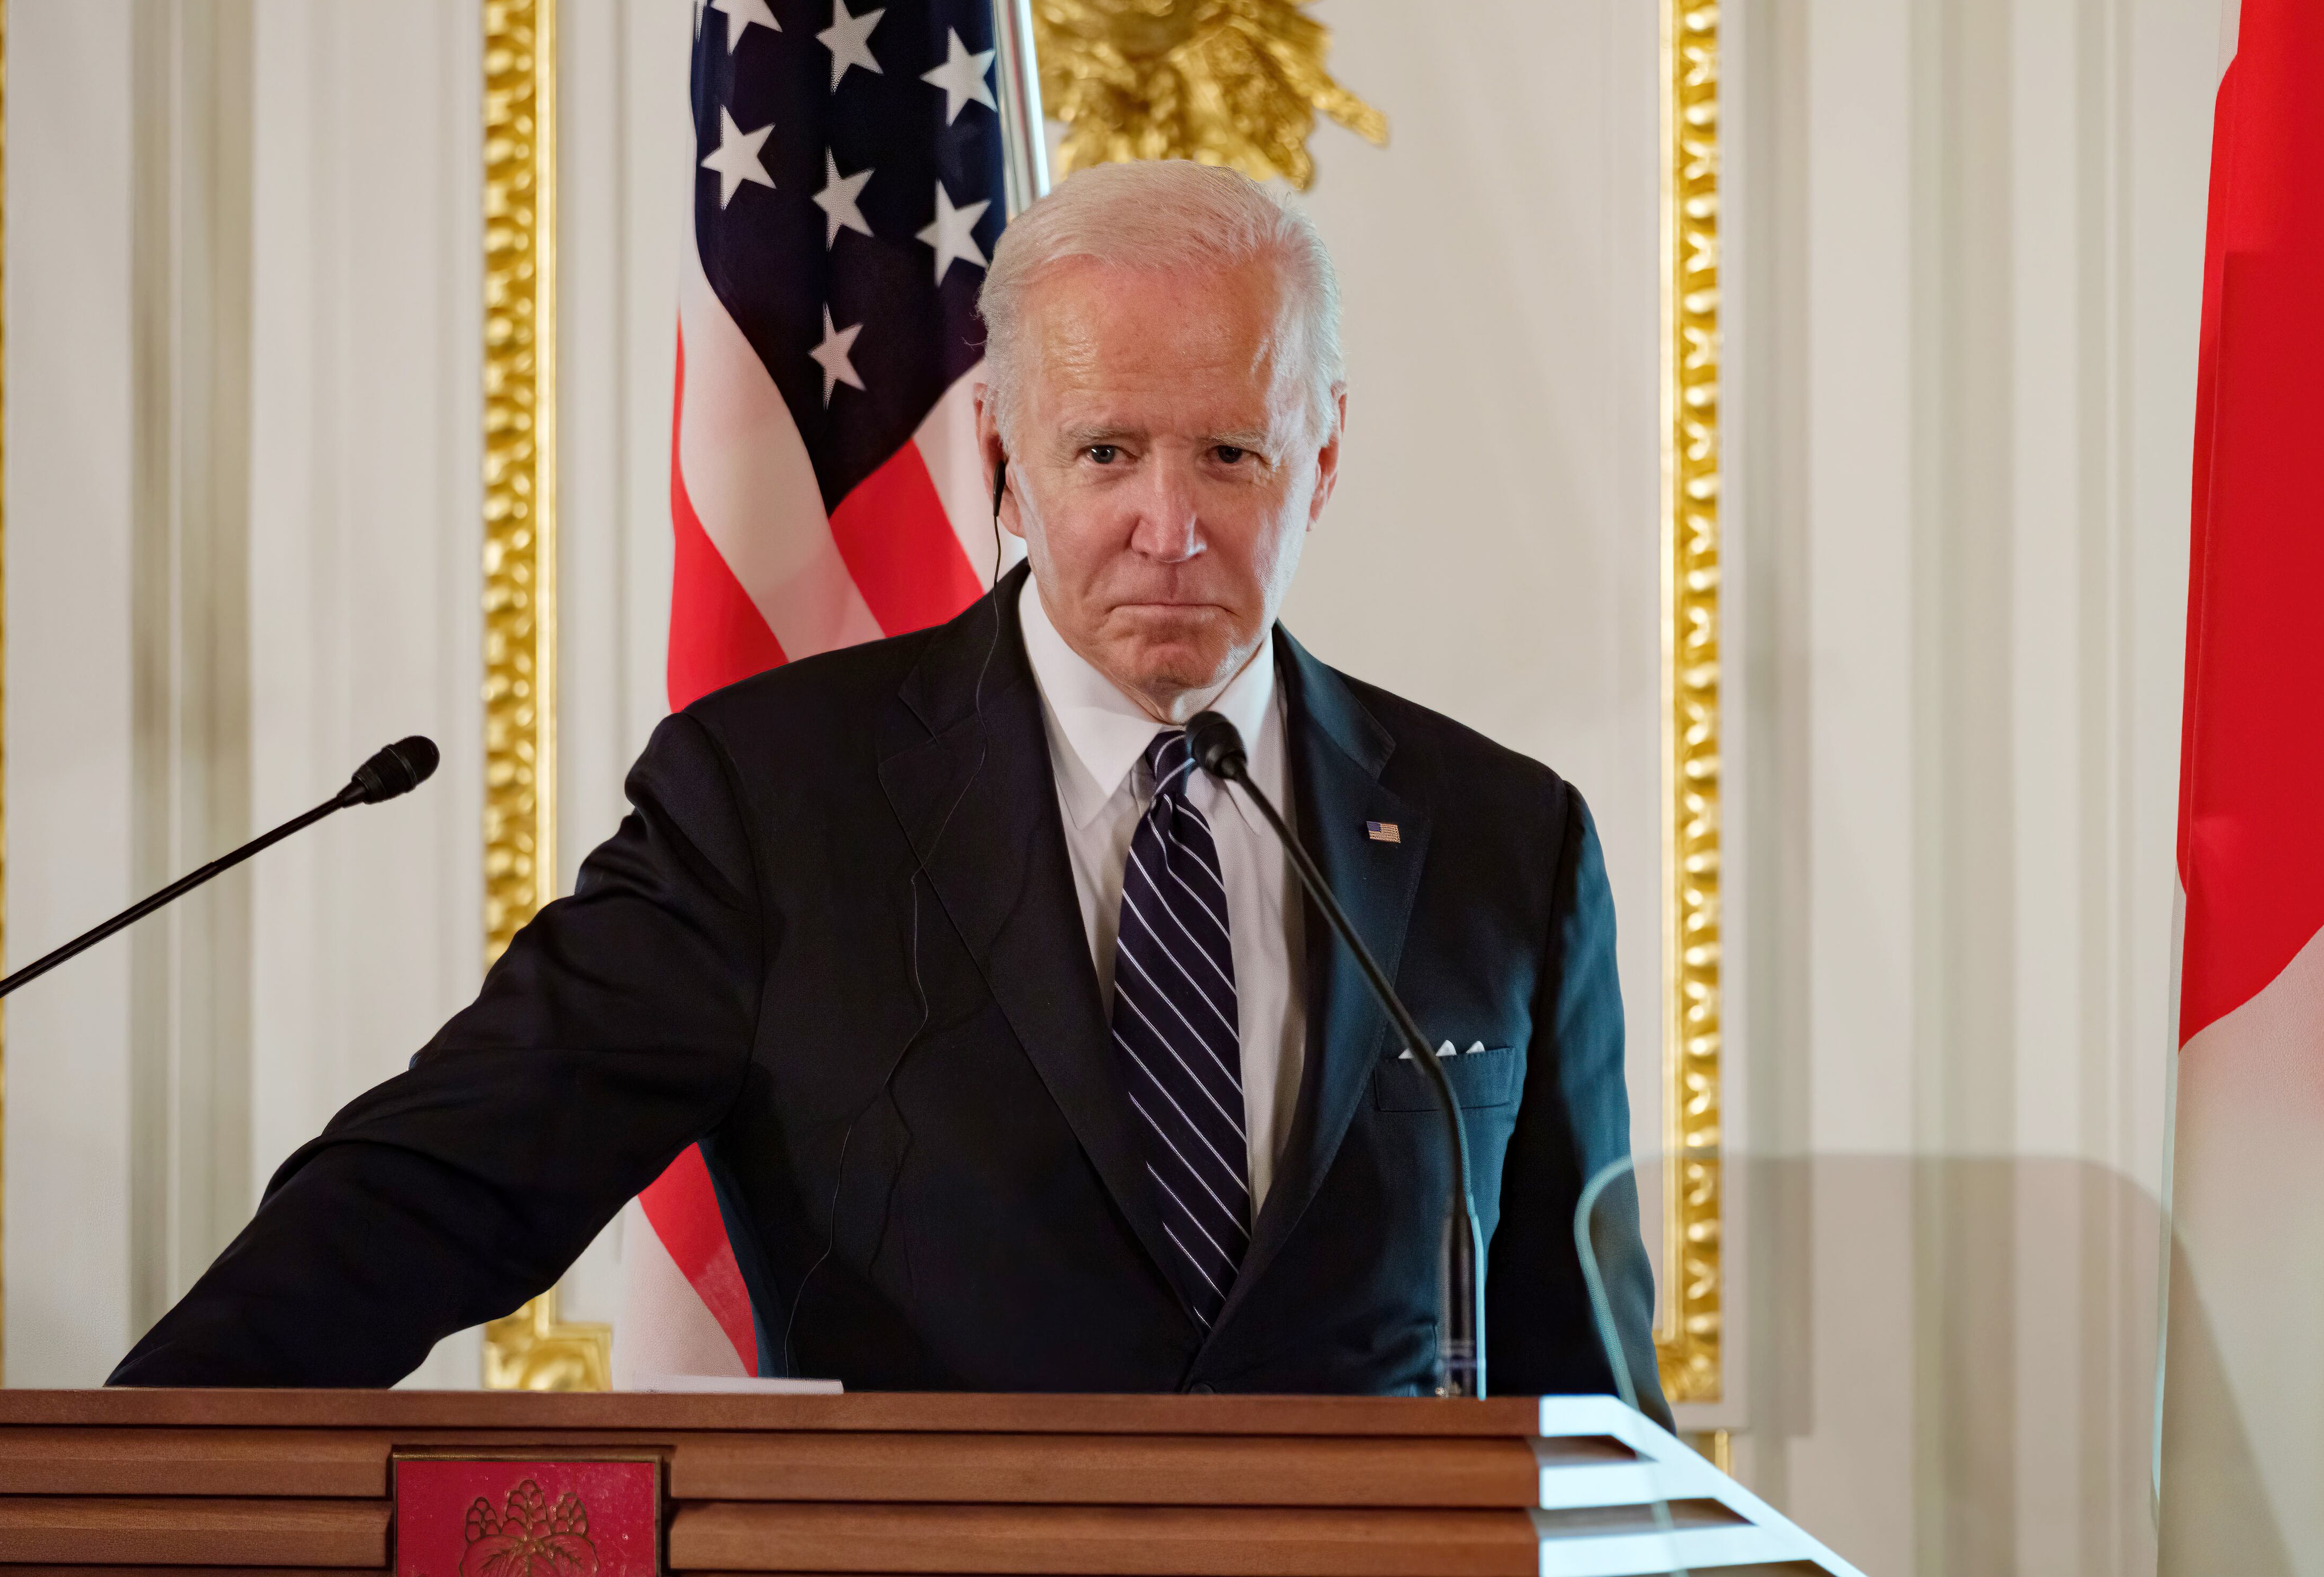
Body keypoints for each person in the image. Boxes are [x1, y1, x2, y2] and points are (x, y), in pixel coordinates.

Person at [112, 161, 1662, 1413]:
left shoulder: (1502, 839)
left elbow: (1587, 1373)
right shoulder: (775, 806)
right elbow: (450, 1186)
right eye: (1105, 453)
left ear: (1321, 461)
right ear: (1002, 460)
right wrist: (129, 1470)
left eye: (1231, 455)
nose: (1169, 527)